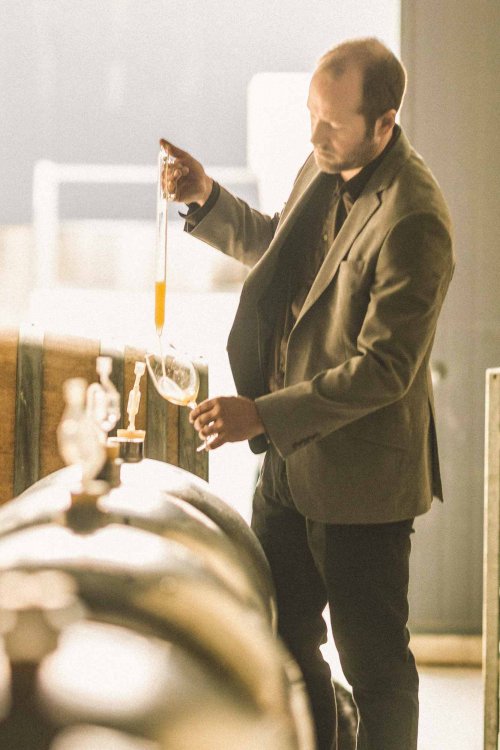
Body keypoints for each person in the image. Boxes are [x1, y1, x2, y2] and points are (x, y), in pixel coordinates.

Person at [161, 37, 454, 750]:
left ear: (384, 123)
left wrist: (261, 413)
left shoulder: (414, 216)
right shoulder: (325, 161)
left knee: (375, 665)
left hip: (362, 482)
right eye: (311, 117)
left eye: (333, 123)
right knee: (284, 631)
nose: (315, 135)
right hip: (288, 468)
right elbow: (277, 248)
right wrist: (205, 200)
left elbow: (386, 369)